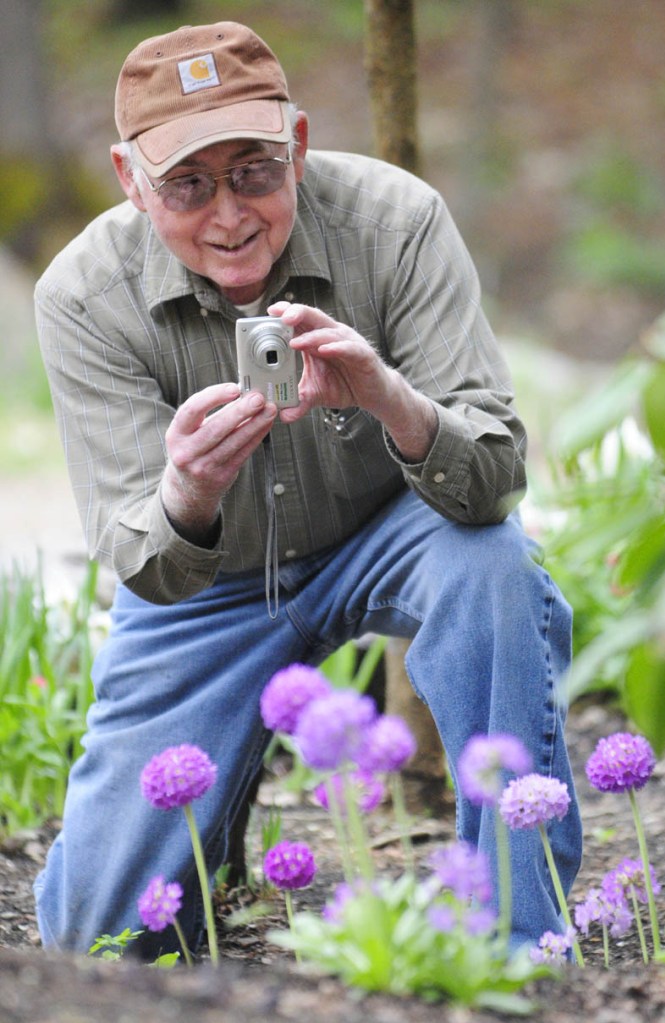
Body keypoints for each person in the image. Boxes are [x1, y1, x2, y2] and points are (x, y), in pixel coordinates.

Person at [33, 21, 582, 960]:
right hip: (208, 585)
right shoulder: (85, 294)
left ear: (296, 144)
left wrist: (390, 398)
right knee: (99, 937)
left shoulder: (396, 220)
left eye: (253, 171)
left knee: (492, 567)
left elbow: (492, 479)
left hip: (396, 527)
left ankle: (511, 935)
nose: (229, 214)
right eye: (187, 185)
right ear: (129, 180)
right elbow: (142, 560)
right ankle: (212, 849)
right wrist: (189, 490)